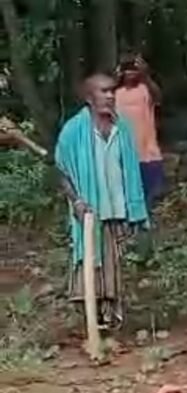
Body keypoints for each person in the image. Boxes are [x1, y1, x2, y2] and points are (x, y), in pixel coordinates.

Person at [55, 73, 149, 329]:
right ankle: (91, 319)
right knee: (91, 260)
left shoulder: (122, 128)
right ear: (89, 97)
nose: (109, 96)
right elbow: (61, 171)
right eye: (103, 91)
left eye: (111, 91)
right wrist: (76, 201)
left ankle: (111, 318)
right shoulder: (73, 130)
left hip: (117, 209)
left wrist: (133, 208)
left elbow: (130, 169)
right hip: (90, 210)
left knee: (114, 263)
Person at [115, 54, 165, 208]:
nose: (131, 72)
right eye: (127, 68)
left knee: (151, 196)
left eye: (134, 68)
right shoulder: (116, 93)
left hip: (148, 154)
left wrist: (146, 75)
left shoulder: (145, 89)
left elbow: (158, 97)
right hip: (124, 154)